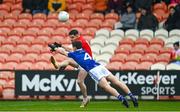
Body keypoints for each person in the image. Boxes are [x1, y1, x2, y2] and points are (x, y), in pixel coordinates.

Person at [49, 41, 138, 108]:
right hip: (99, 66)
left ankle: (121, 98)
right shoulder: (83, 51)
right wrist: (59, 46)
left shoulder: (74, 54)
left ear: (75, 47)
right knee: (116, 81)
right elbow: (68, 50)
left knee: (105, 86)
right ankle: (132, 96)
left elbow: (63, 52)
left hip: (93, 70)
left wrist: (55, 48)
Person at [50, 29, 92, 108]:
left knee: (79, 81)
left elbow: (70, 51)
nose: (71, 39)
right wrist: (59, 47)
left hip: (87, 63)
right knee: (69, 60)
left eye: (72, 37)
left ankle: (86, 98)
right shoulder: (79, 41)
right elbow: (70, 51)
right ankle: (58, 65)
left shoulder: (81, 41)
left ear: (77, 35)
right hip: (81, 61)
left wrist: (58, 47)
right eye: (70, 38)